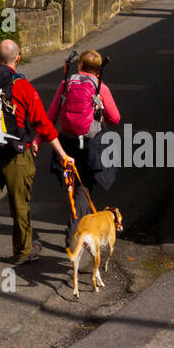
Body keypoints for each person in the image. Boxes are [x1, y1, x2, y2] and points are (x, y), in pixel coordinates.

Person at [0, 39, 73, 281]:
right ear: (18, 58)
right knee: (20, 205)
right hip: (16, 155)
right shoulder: (22, 85)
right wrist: (63, 154)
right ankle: (23, 251)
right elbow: (42, 123)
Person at [48, 49, 121, 227]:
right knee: (84, 186)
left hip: (66, 141)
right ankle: (73, 236)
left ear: (79, 65)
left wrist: (38, 140)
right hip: (90, 142)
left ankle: (84, 223)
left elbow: (51, 115)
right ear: (98, 69)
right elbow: (115, 118)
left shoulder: (66, 83)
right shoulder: (99, 87)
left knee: (74, 184)